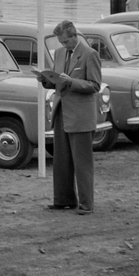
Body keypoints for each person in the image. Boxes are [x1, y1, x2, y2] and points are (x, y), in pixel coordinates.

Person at [47, 20, 101, 215]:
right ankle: (63, 200)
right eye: (60, 42)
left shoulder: (90, 54)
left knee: (82, 162)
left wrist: (72, 82)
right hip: (62, 112)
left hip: (81, 115)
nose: (63, 45)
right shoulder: (59, 54)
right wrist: (47, 81)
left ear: (74, 36)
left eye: (65, 41)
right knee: (61, 160)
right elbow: (57, 82)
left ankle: (87, 204)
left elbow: (95, 85)